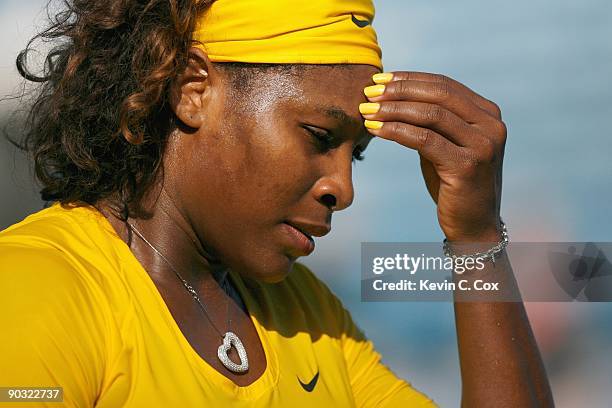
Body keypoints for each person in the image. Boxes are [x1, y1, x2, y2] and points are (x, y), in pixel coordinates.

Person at [0, 0, 553, 406]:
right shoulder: (37, 286)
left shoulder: (309, 317)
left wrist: (476, 238)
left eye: (355, 156)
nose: (342, 188)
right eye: (317, 136)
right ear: (194, 89)